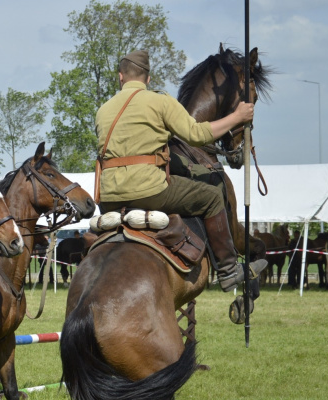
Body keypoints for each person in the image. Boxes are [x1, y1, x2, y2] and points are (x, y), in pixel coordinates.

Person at [95, 49, 267, 293]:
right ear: (148, 79)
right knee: (212, 197)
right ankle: (229, 270)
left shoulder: (103, 111)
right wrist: (237, 116)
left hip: (108, 198)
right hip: (148, 192)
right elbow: (197, 135)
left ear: (120, 77)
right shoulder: (160, 101)